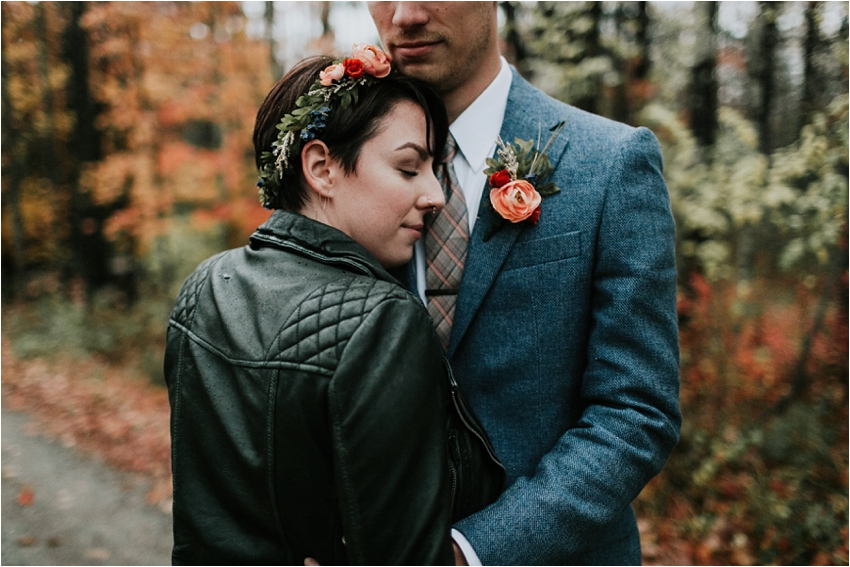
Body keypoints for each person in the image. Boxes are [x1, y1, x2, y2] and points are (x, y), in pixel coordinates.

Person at [164, 45, 504, 566]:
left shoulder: (205, 285)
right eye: (409, 168)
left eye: (435, 169)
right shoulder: (382, 320)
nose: (436, 195)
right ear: (321, 168)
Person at [368, 3, 682, 565]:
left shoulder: (611, 163)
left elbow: (636, 410)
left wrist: (472, 553)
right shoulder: (342, 168)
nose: (406, 14)